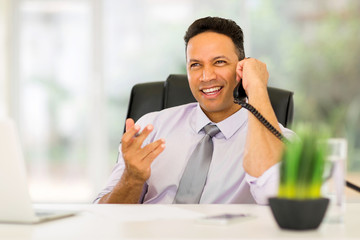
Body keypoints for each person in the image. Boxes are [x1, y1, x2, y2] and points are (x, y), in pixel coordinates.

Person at [94, 16, 294, 204]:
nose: (206, 76)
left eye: (219, 62)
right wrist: (132, 178)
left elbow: (281, 199)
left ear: (242, 68)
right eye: (196, 65)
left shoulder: (281, 141)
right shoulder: (150, 128)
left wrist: (257, 87)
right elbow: (102, 213)